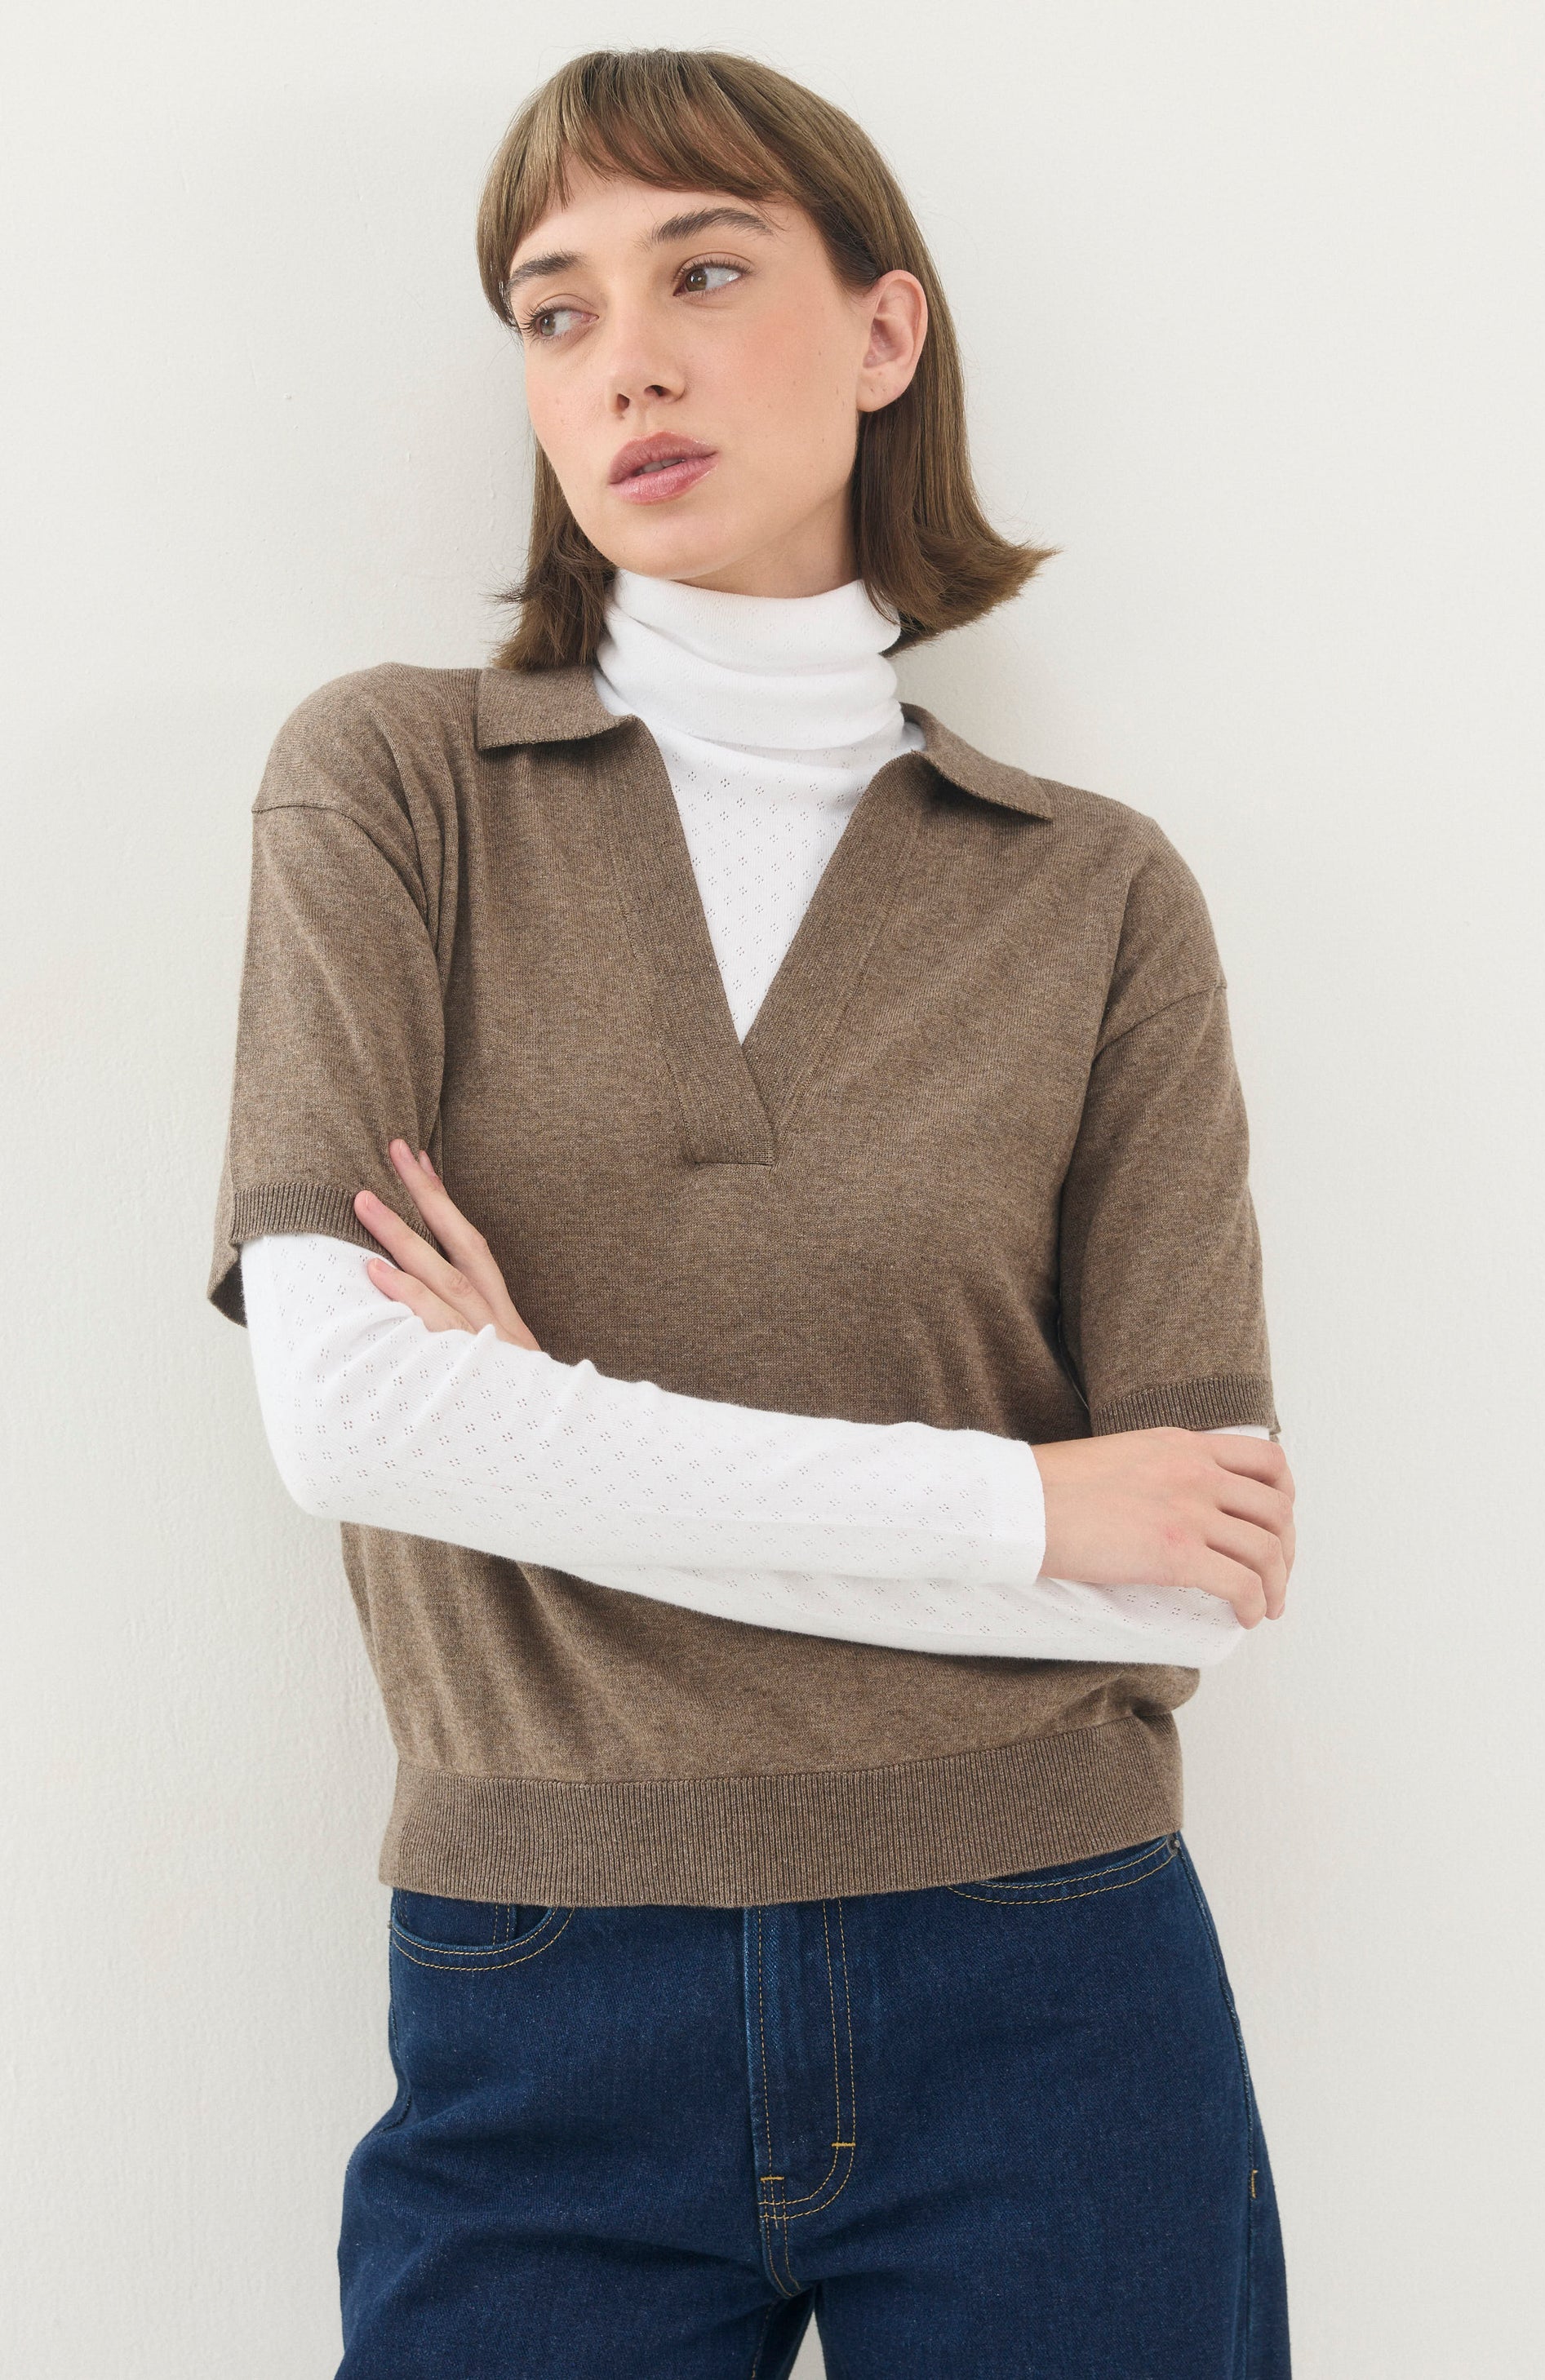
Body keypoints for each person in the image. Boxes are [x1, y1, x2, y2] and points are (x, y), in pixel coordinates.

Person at [206, 46, 1296, 2379]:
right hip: (542, 1983)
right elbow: (353, 1421)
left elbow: (1186, 1565)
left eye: (703, 273)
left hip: (1050, 1974)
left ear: (884, 331)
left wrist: (539, 1431)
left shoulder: (1095, 894)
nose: (628, 362)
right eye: (558, 308)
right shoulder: (391, 787)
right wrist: (1016, 1509)